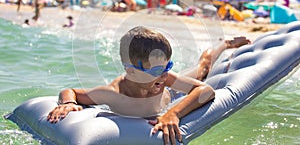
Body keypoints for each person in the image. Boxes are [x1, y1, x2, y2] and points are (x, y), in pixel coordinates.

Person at [47, 26, 250, 144]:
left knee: (203, 69)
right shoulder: (112, 94)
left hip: (171, 96)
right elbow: (70, 91)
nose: (163, 75)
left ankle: (225, 44)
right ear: (131, 71)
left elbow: (205, 90)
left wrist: (173, 114)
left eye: (167, 66)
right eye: (155, 71)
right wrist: (67, 103)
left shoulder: (165, 78)